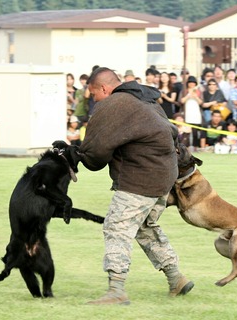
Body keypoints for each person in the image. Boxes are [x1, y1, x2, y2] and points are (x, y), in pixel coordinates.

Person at [79, 67, 193, 305]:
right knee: (144, 226)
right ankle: (176, 278)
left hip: (140, 178)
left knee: (116, 227)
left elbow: (95, 152)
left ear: (103, 88)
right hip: (164, 176)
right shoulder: (146, 100)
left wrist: (83, 158)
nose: (94, 100)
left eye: (94, 94)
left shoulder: (114, 104)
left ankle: (116, 290)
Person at [180, 76, 203, 151]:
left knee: (196, 131)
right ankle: (186, 146)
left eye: (193, 83)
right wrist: (188, 95)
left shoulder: (199, 91)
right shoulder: (184, 91)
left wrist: (196, 96)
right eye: (190, 82)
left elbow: (201, 102)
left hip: (196, 113)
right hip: (187, 113)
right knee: (186, 131)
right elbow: (181, 101)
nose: (192, 84)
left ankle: (196, 145)